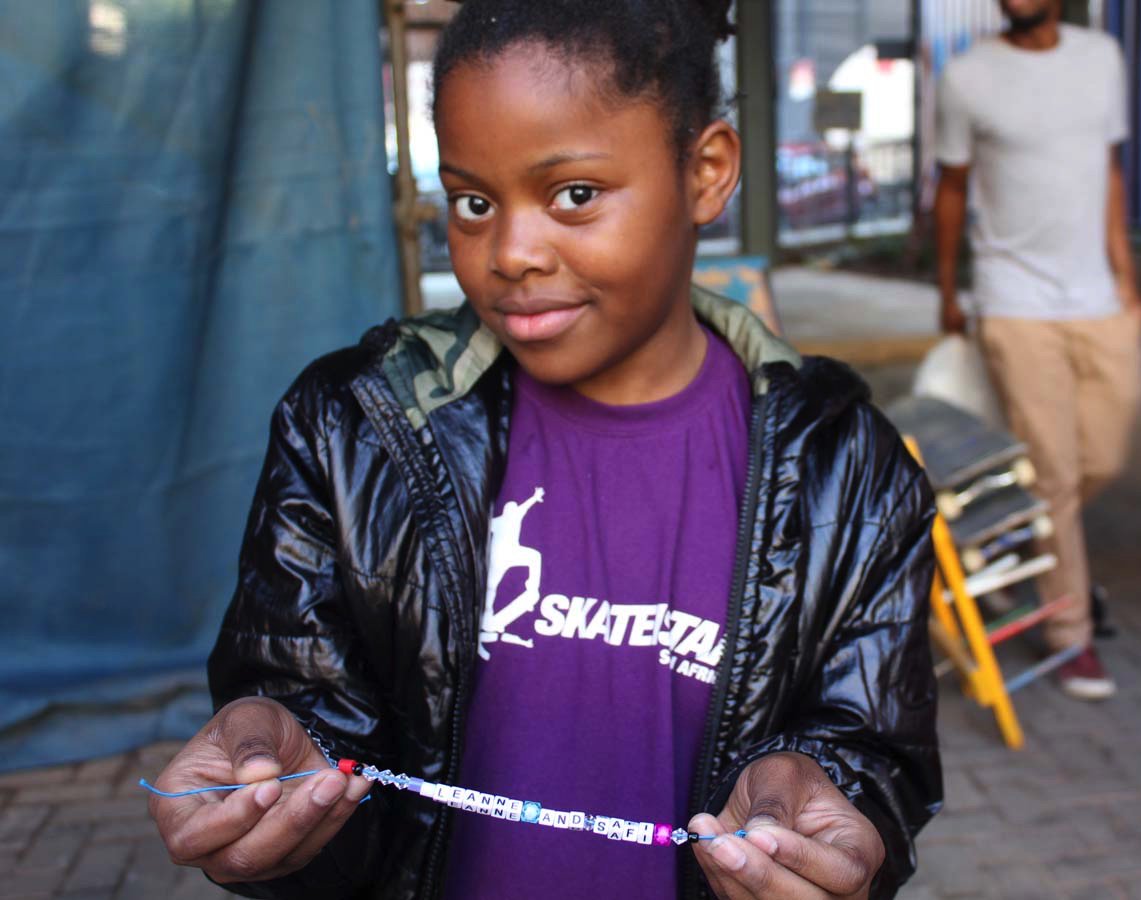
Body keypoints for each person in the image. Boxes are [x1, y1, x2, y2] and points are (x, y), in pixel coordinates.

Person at [146, 1, 941, 897]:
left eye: (574, 195)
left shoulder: (846, 469)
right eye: (473, 202)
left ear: (707, 172)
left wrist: (825, 791)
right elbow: (305, 703)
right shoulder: (353, 430)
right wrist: (275, 760)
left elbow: (877, 750)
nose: (511, 252)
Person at [934, 0, 1141, 701]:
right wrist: (947, 292)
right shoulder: (967, 76)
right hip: (1014, 300)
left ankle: (1009, 544)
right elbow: (952, 188)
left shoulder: (1101, 59)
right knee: (1053, 469)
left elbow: (1109, 172)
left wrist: (1127, 280)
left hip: (1099, 300)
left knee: (1102, 458)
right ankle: (1071, 635)